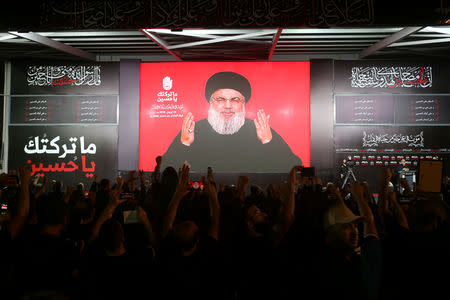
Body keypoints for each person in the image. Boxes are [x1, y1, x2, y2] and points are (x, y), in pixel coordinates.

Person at [162, 71, 302, 173]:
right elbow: (164, 170)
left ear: (244, 104)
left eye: (235, 100)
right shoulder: (193, 130)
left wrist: (268, 142)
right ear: (210, 103)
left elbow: (295, 168)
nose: (228, 106)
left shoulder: (258, 130)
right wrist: (184, 144)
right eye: (220, 99)